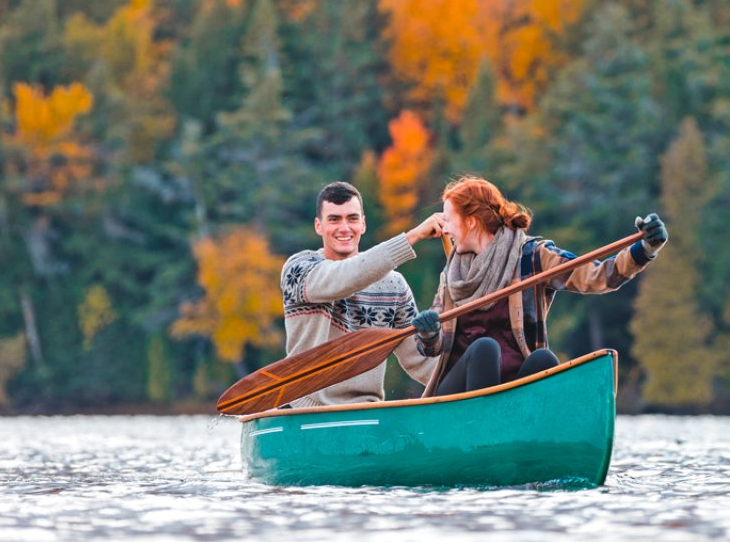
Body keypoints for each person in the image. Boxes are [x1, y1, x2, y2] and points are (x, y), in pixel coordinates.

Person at [415, 175, 669, 395]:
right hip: (459, 397)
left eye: (448, 219)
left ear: (471, 221)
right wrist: (428, 333)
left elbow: (597, 276)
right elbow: (433, 347)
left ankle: (531, 434)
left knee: (543, 359)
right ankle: (483, 434)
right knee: (484, 348)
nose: (444, 228)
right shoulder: (452, 275)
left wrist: (644, 249)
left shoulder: (532, 257)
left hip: (511, 387)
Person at [279, 180, 448, 408]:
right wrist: (412, 237)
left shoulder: (394, 285)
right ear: (318, 226)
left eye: (352, 218)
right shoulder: (299, 269)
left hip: (367, 410)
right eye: (334, 219)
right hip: (304, 409)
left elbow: (421, 362)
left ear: (363, 224)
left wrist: (430, 340)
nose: (344, 227)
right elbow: (346, 277)